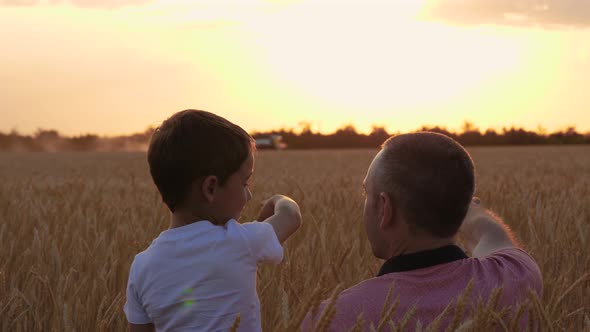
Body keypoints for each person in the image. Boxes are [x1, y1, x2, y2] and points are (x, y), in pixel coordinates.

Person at [303, 132, 543, 330]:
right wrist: (459, 204)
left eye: (367, 193)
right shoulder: (516, 277)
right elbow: (490, 233)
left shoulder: (332, 319)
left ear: (385, 208)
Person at [124, 110, 302, 332]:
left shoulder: (141, 266)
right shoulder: (240, 241)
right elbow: (291, 216)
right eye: (245, 183)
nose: (249, 196)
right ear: (210, 188)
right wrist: (277, 200)